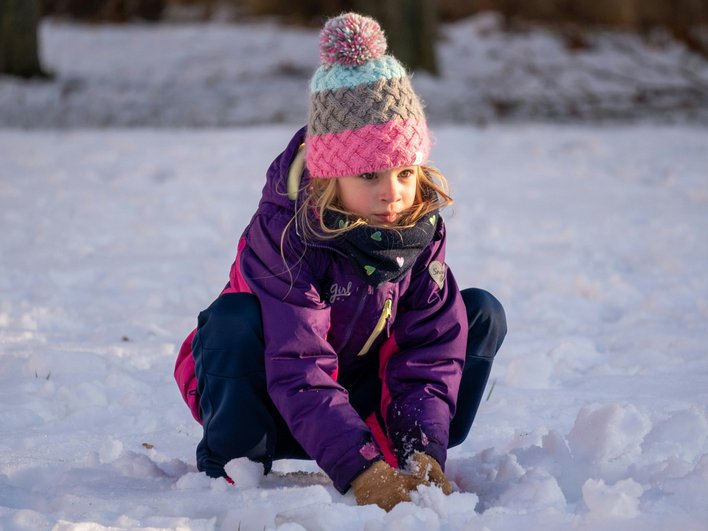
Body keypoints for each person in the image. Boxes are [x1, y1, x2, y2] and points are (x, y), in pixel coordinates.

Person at [174, 12, 506, 511]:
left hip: (357, 394)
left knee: (475, 311)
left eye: (404, 172)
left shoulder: (419, 229)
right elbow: (297, 361)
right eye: (369, 176)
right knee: (233, 321)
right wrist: (360, 472)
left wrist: (424, 455)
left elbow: (429, 353)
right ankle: (234, 464)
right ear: (330, 176)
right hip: (267, 397)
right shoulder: (287, 234)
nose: (392, 193)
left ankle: (406, 445)